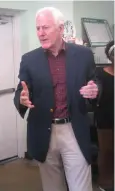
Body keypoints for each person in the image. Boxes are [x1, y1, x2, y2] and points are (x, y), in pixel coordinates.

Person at [14, 7, 100, 191]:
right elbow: (21, 90)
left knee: (81, 187)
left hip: (74, 129)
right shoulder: (29, 59)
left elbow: (96, 81)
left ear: (61, 29)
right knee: (52, 187)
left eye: (45, 27)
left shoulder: (83, 55)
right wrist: (21, 99)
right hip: (43, 130)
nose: (40, 33)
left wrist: (95, 89)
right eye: (38, 28)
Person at [95, 40, 114, 191]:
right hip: (106, 121)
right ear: (110, 55)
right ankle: (105, 183)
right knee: (107, 152)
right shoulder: (100, 74)